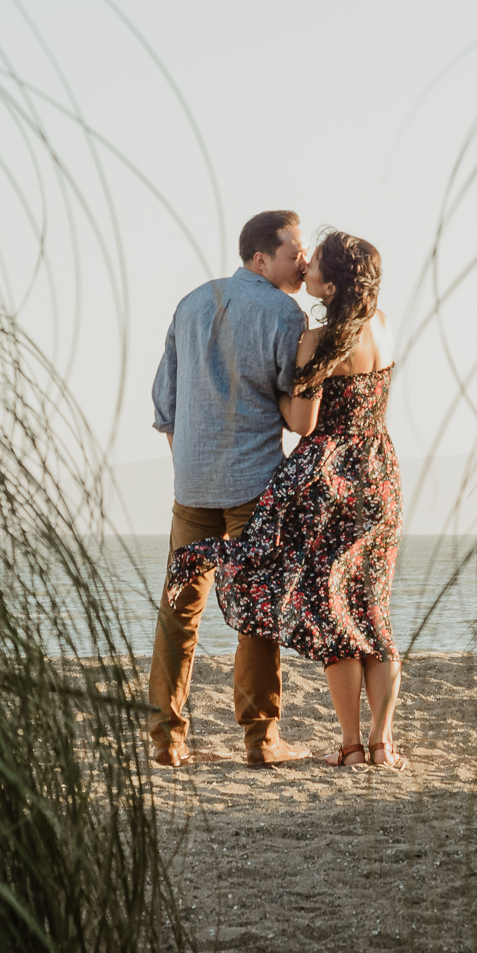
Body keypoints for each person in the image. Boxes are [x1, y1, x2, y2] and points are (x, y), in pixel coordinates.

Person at [165, 230, 406, 769]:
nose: (305, 266)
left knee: (332, 610)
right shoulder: (384, 327)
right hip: (379, 474)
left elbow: (303, 422)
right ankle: (382, 743)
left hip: (327, 481)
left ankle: (347, 744)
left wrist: (261, 388)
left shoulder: (317, 341)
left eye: (314, 260)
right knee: (373, 608)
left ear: (333, 279)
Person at [147, 209, 315, 767]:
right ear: (261, 259)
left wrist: (191, 462)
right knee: (257, 611)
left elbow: (164, 402)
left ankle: (167, 740)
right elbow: (296, 415)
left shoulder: (192, 302)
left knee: (178, 609)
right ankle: (261, 740)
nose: (304, 260)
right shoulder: (285, 314)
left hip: (191, 484)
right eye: (295, 252)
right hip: (253, 485)